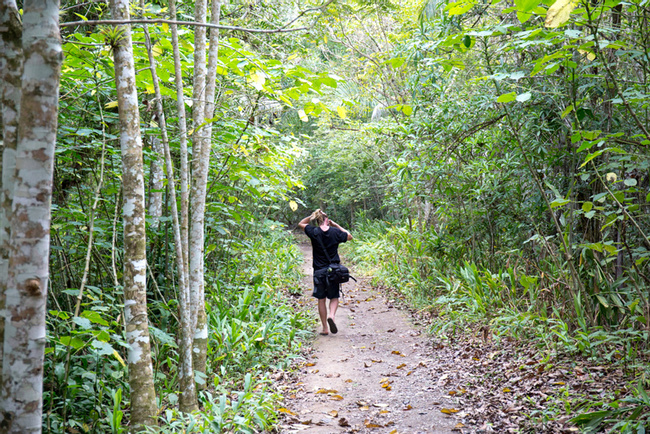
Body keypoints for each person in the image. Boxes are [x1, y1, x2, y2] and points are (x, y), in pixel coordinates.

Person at [298, 209, 353, 335]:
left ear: (317, 221)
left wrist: (311, 216)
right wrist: (336, 225)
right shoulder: (335, 232)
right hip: (333, 271)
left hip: (319, 271)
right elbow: (349, 236)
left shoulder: (313, 231)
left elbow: (301, 223)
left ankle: (325, 328)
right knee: (334, 297)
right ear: (327, 220)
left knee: (321, 299)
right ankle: (332, 316)